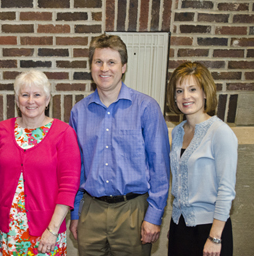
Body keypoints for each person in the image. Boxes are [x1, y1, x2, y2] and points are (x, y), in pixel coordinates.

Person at [69, 34, 170, 255]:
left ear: (123, 67)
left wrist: (154, 216)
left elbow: (159, 167)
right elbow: (76, 169)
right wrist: (76, 214)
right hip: (91, 211)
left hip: (132, 211)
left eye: (111, 62)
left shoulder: (146, 108)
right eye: (98, 62)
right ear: (91, 66)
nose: (104, 68)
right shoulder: (79, 111)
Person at [0, 70, 81, 255]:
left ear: (47, 99)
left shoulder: (63, 133)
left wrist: (52, 230)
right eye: (25, 95)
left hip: (47, 233)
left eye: (37, 95)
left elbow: (68, 186)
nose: (30, 101)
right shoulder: (2, 130)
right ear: (17, 99)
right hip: (8, 231)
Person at [166, 62, 237, 256]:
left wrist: (215, 237)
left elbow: (226, 190)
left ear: (205, 93)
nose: (185, 96)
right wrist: (175, 228)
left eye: (192, 89)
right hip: (179, 227)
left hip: (210, 230)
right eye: (179, 91)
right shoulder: (178, 132)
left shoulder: (220, 132)